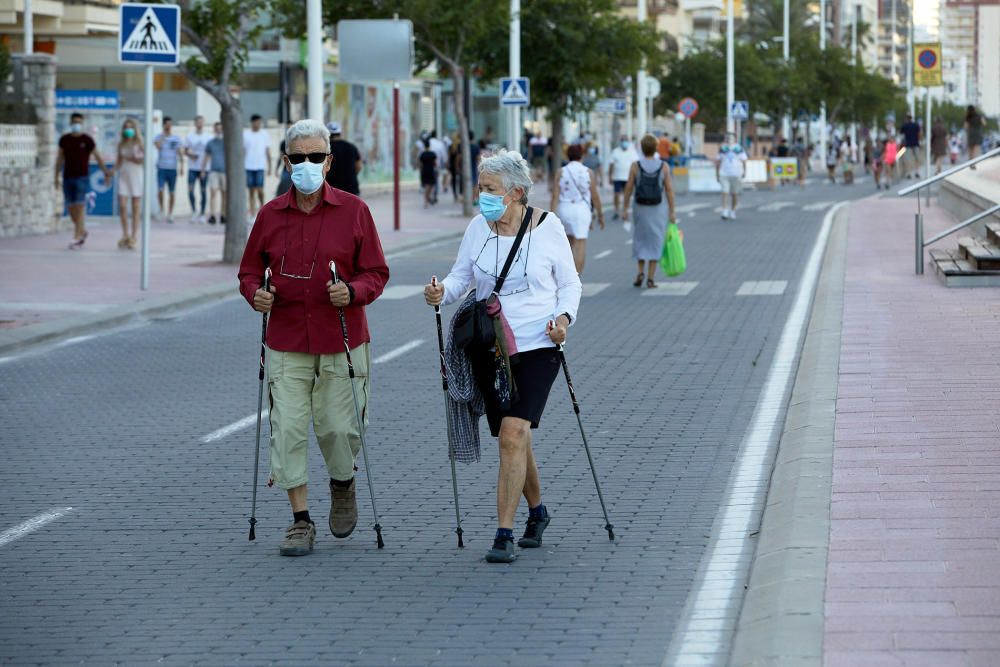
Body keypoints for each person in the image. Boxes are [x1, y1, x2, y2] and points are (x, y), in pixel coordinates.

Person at [237, 119, 390, 557]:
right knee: (286, 429)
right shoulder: (270, 214)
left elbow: (377, 273)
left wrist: (354, 291)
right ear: (286, 162)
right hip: (286, 337)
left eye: (316, 157)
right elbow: (249, 270)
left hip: (341, 337)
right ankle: (300, 521)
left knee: (339, 428)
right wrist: (256, 294)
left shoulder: (354, 211)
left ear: (329, 162)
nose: (307, 165)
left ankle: (343, 482)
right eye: (298, 158)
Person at [423, 148, 582, 564]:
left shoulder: (549, 228)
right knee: (515, 437)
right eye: (481, 189)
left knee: (512, 433)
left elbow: (570, 285)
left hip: (539, 344)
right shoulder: (478, 228)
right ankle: (538, 512)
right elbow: (463, 276)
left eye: (489, 189)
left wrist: (564, 319)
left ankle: (503, 533)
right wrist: (442, 293)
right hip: (490, 347)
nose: (483, 197)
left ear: (515, 192)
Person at [623, 134, 677, 288]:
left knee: (640, 238)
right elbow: (669, 190)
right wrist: (672, 211)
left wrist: (625, 207)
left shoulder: (635, 165)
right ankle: (651, 278)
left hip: (640, 207)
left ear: (641, 148)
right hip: (658, 208)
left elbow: (628, 188)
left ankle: (640, 271)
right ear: (656, 148)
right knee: (655, 240)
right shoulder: (664, 166)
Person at [551, 144, 605, 273]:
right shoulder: (588, 172)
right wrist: (600, 215)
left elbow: (555, 196)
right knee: (580, 245)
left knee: (568, 245)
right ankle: (576, 278)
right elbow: (595, 196)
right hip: (582, 210)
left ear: (568, 156)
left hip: (564, 209)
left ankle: (566, 276)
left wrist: (551, 216)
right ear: (582, 155)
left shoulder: (561, 172)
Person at [115, 118, 144, 249]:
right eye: (126, 127)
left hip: (136, 175)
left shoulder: (139, 143)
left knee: (136, 207)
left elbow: (141, 160)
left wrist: (133, 157)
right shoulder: (121, 144)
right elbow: (118, 161)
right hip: (124, 175)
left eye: (131, 127)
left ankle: (134, 236)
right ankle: (125, 234)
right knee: (122, 205)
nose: (128, 130)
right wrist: (110, 173)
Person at [155, 116, 184, 223]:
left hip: (172, 168)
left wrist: (181, 166)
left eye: (170, 125)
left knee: (172, 191)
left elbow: (179, 151)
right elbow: (158, 146)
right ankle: (161, 209)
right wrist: (164, 136)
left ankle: (170, 213)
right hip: (162, 168)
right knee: (160, 190)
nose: (169, 127)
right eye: (167, 124)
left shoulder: (176, 138)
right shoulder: (158, 137)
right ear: (163, 125)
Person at [184, 115, 212, 223]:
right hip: (192, 168)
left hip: (204, 169)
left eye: (201, 122)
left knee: (203, 191)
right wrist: (191, 155)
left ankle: (202, 214)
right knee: (190, 190)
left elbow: (210, 153)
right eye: (198, 122)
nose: (200, 124)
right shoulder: (190, 136)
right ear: (195, 123)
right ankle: (193, 211)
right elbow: (185, 150)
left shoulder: (208, 137)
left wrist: (204, 169)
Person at [243, 114, 272, 220]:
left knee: (260, 190)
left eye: (260, 122)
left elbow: (268, 151)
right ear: (252, 122)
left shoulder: (265, 134)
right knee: (251, 190)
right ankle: (252, 213)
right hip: (248, 166)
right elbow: (243, 151)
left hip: (260, 166)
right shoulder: (246, 134)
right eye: (257, 122)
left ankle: (262, 209)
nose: (259, 124)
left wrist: (270, 166)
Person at [324, 122, 363, 195]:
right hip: (351, 189)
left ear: (327, 135)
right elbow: (359, 166)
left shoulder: (325, 149)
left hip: (332, 190)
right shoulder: (351, 147)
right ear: (340, 133)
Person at [714, 133, 747, 220]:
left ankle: (733, 210)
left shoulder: (738, 148)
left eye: (731, 138)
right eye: (728, 138)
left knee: (734, 194)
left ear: (735, 140)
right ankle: (725, 210)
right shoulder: (723, 148)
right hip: (724, 173)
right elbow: (718, 161)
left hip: (736, 174)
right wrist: (717, 174)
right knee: (725, 192)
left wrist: (744, 172)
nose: (729, 140)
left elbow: (744, 161)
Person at [202, 122, 226, 224]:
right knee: (213, 193)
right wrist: (203, 170)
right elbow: (206, 156)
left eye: (220, 128)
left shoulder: (227, 142)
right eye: (217, 129)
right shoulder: (210, 143)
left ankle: (223, 215)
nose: (219, 130)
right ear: (214, 130)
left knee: (224, 194)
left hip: (225, 172)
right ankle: (212, 215)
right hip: (213, 171)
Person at [608, 137, 636, 221]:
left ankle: (625, 211)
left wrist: (635, 177)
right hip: (617, 177)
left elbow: (636, 165)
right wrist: (610, 176)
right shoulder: (615, 151)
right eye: (623, 140)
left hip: (628, 178)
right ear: (620, 142)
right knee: (616, 195)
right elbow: (611, 165)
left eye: (626, 141)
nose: (624, 142)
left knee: (627, 195)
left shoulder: (632, 152)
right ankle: (616, 211)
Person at [418, 138, 437, 208]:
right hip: (431, 171)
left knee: (426, 186)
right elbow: (435, 163)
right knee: (431, 186)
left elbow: (420, 164)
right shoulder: (433, 154)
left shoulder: (422, 154)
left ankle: (426, 200)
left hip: (424, 172)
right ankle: (426, 200)